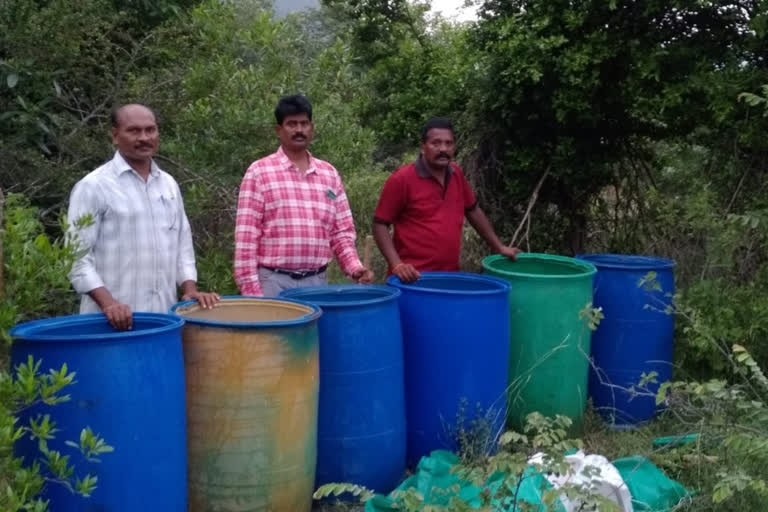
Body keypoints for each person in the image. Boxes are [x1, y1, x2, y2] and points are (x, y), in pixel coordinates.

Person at [68, 103, 220, 330]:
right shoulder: (93, 186)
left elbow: (182, 244)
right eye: (134, 131)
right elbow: (76, 257)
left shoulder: (168, 184)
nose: (144, 137)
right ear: (115, 136)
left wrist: (189, 289)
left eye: (151, 130)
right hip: (108, 323)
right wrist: (110, 305)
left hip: (163, 320)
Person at [234, 94, 374, 297]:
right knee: (275, 331)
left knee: (314, 331)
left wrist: (355, 267)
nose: (299, 130)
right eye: (291, 124)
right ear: (278, 130)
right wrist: (253, 295)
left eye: (304, 124)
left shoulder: (329, 174)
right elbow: (246, 239)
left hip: (317, 283)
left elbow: (341, 232)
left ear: (312, 128)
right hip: (273, 284)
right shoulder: (259, 173)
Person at [373, 117, 521, 283]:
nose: (443, 149)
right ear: (423, 147)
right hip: (412, 280)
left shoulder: (456, 173)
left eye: (448, 143)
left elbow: (472, 209)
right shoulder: (402, 179)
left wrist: (498, 246)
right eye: (436, 143)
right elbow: (380, 224)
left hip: (448, 278)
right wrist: (397, 265)